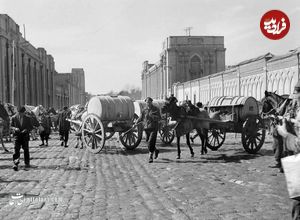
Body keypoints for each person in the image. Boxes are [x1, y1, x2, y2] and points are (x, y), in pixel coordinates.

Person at [136, 97, 161, 163]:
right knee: (148, 141)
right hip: (146, 128)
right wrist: (136, 122)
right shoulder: (144, 110)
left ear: (151, 102)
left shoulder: (155, 109)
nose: (148, 103)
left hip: (154, 128)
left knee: (151, 141)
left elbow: (159, 117)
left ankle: (150, 156)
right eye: (147, 102)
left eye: (149, 102)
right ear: (146, 103)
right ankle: (156, 150)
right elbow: (141, 117)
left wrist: (153, 117)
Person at [11, 106, 33, 171]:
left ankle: (27, 163)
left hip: (25, 136)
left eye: (22, 113)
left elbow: (31, 127)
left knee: (26, 149)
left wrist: (26, 130)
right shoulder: (14, 118)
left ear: (24, 112)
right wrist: (15, 128)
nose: (21, 114)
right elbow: (11, 126)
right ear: (18, 112)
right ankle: (15, 163)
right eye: (20, 113)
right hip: (17, 136)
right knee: (16, 149)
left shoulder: (28, 118)